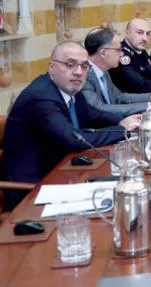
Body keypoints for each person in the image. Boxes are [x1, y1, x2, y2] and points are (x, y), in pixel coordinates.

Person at [1, 42, 140, 209]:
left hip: (63, 173)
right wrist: (122, 130)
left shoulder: (69, 88)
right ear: (52, 67)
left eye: (84, 66)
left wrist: (123, 121)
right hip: (32, 189)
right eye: (70, 65)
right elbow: (74, 139)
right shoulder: (41, 97)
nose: (78, 72)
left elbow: (94, 114)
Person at [83, 27, 151, 116]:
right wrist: (149, 106)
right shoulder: (85, 75)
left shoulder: (104, 71)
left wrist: (150, 97)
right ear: (103, 53)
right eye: (118, 50)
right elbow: (100, 109)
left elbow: (118, 96)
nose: (122, 54)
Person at [110, 18, 151, 93]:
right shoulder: (122, 56)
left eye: (148, 34)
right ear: (127, 33)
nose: (145, 38)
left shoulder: (140, 50)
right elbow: (141, 86)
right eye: (139, 33)